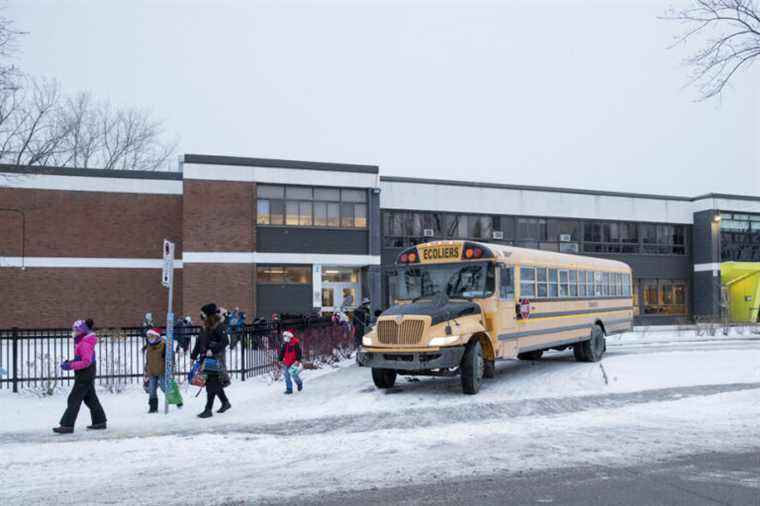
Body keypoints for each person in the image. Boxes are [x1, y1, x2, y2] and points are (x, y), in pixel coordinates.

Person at [53, 319, 107, 434]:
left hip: (85, 374)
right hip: (86, 373)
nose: (73, 331)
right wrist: (71, 362)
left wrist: (70, 366)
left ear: (82, 331)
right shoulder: (83, 341)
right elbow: (82, 359)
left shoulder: (84, 343)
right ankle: (100, 421)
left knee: (74, 399)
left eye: (75, 330)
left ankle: (67, 425)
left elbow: (86, 362)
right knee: (90, 398)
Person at [190, 303, 231, 418]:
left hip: (215, 359)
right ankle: (225, 402)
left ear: (208, 314)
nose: (200, 315)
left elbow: (225, 342)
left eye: (202, 313)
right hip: (205, 359)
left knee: (211, 385)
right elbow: (199, 343)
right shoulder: (204, 327)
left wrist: (212, 350)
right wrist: (193, 356)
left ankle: (208, 409)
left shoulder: (219, 326)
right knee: (213, 384)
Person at [143, 328, 182, 413]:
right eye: (148, 337)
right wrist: (146, 369)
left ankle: (177, 400)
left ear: (157, 336)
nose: (150, 338)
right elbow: (149, 359)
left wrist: (170, 367)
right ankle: (153, 408)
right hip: (152, 371)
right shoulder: (149, 346)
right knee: (152, 390)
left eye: (151, 336)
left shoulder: (164, 345)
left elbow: (170, 357)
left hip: (162, 371)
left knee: (165, 388)